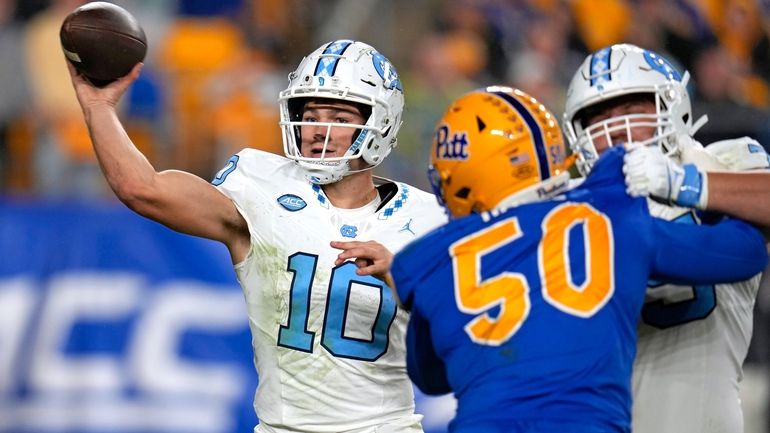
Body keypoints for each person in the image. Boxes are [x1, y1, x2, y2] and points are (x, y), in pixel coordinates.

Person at [66, 39, 447, 433]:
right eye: (311, 113)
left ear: (380, 122)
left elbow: (459, 339)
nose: (319, 129)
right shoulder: (262, 186)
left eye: (339, 115)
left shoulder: (427, 218)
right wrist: (99, 108)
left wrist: (404, 276)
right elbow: (143, 189)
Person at [385, 85, 768, 433]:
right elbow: (745, 253)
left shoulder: (427, 258)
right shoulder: (606, 216)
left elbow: (429, 375)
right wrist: (692, 189)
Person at [562, 43, 766, 433]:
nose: (615, 129)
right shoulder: (568, 208)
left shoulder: (724, 162)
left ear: (672, 106)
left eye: (631, 109)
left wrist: (682, 183)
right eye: (598, 117)